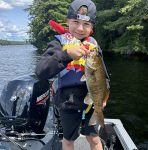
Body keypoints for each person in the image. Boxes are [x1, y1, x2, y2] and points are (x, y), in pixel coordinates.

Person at [35, 0, 110, 149]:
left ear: (92, 27)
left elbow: (104, 76)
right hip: (68, 102)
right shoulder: (58, 44)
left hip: (93, 98)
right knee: (68, 140)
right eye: (76, 21)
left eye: (86, 24)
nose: (80, 28)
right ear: (67, 22)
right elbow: (41, 71)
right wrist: (66, 54)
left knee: (94, 139)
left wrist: (104, 97)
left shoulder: (94, 47)